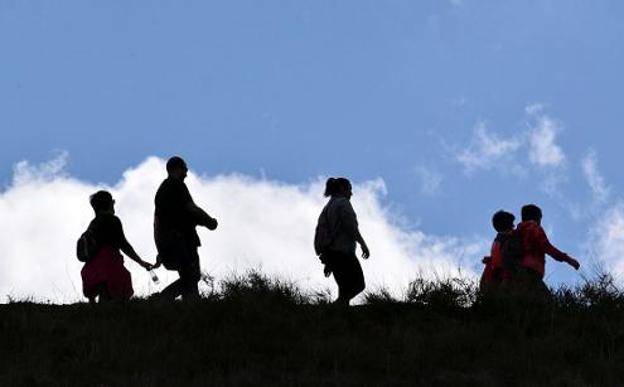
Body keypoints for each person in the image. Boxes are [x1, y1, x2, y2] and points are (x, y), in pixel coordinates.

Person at [153, 156, 218, 301]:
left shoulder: (162, 190)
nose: (187, 172)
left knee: (189, 276)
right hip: (182, 240)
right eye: (184, 168)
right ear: (176, 168)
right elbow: (191, 209)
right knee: (191, 276)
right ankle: (161, 299)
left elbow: (160, 220)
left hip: (171, 241)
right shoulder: (176, 186)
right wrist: (210, 222)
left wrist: (161, 247)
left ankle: (191, 306)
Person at [81, 191, 153, 303]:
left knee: (102, 292)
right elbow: (124, 245)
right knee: (116, 292)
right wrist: (140, 262)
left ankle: (95, 313)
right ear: (109, 204)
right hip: (110, 264)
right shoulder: (113, 220)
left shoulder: (93, 223)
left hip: (93, 267)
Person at [314, 177, 370, 305]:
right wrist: (363, 244)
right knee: (358, 285)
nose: (351, 193)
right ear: (342, 188)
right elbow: (351, 227)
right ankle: (337, 306)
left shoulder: (327, 207)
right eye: (350, 189)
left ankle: (339, 316)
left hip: (332, 254)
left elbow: (322, 234)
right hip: (343, 253)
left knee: (344, 288)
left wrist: (328, 260)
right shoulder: (343, 203)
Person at [515, 204, 580, 298]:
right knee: (548, 303)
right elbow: (547, 247)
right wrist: (568, 259)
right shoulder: (534, 228)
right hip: (531, 272)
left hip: (517, 272)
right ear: (537, 217)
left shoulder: (517, 232)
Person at [480, 210, 516, 293]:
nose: (514, 226)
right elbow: (509, 260)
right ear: (508, 225)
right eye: (512, 224)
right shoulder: (509, 239)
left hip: (492, 279)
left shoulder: (497, 241)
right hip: (503, 280)